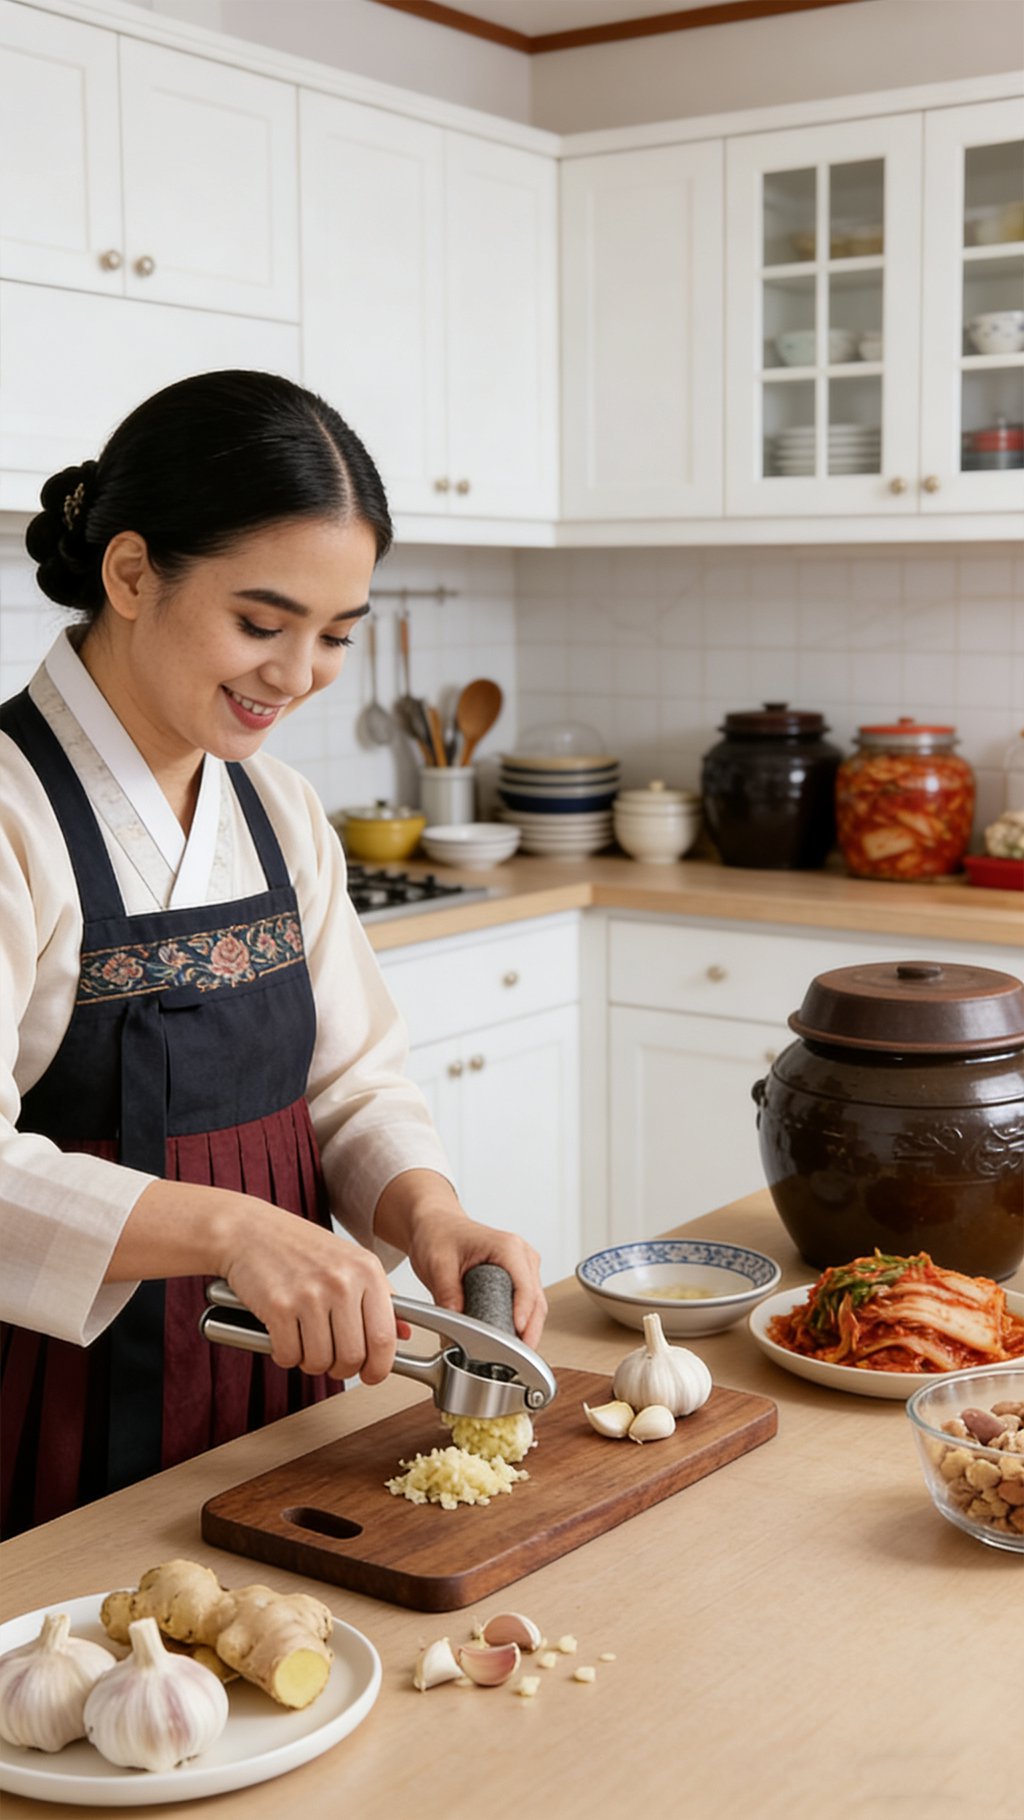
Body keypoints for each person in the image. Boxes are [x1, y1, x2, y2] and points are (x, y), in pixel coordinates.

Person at [0, 369, 546, 1537]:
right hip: (53, 1413)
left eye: (336, 635)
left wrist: (424, 1212)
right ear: (133, 572)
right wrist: (232, 1230)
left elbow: (348, 1083)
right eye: (261, 622)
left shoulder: (278, 809)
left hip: (280, 1403)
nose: (296, 676)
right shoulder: (12, 816)